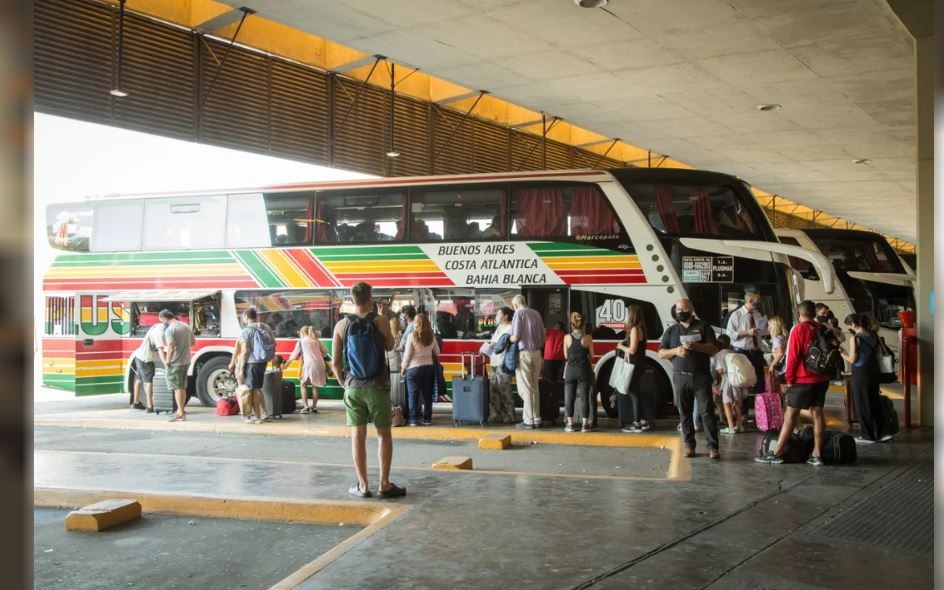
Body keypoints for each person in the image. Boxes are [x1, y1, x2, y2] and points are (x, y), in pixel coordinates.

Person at [331, 282, 404, 499]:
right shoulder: (379, 320)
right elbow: (390, 346)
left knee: (357, 437)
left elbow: (335, 363)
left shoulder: (341, 325)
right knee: (384, 435)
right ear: (370, 297)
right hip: (378, 386)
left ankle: (363, 486)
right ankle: (384, 484)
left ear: (352, 300)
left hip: (353, 388)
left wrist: (345, 384)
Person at [756, 300, 830, 466]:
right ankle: (817, 454)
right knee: (817, 414)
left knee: (790, 414)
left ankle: (777, 452)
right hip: (822, 378)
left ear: (799, 314)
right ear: (814, 313)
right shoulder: (821, 328)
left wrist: (789, 379)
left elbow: (793, 357)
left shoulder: (799, 329)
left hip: (803, 379)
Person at [659, 299, 720, 460]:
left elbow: (713, 348)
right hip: (681, 377)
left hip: (701, 376)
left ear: (691, 309)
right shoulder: (671, 331)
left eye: (684, 308)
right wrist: (676, 351)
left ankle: (713, 447)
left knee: (707, 412)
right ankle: (689, 445)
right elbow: (661, 352)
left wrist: (695, 346)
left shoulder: (703, 327)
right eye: (678, 308)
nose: (680, 311)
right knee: (684, 413)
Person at [842, 313, 892, 444]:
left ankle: (868, 435)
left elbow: (853, 359)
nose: (850, 329)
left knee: (863, 403)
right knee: (875, 402)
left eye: (849, 326)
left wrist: (843, 354)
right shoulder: (873, 335)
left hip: (861, 373)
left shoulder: (855, 338)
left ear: (853, 324)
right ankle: (884, 432)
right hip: (873, 371)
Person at [230, 308, 274, 424]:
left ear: (245, 317)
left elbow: (244, 351)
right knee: (258, 388)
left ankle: (257, 417)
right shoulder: (265, 327)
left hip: (252, 363)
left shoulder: (246, 331)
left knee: (253, 389)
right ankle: (264, 414)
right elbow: (274, 343)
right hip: (263, 361)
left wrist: (240, 368)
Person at [510, 294, 546, 429]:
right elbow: (544, 335)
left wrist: (508, 340)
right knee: (534, 387)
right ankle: (536, 418)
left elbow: (516, 336)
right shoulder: (536, 313)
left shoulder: (518, 314)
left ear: (515, 305)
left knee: (526, 388)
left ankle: (528, 420)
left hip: (524, 353)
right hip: (537, 353)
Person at [724, 287, 768, 395]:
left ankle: (760, 409)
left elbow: (761, 332)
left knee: (760, 383)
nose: (759, 302)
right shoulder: (736, 315)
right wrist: (746, 333)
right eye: (757, 300)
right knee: (743, 383)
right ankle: (743, 411)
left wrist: (765, 329)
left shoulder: (758, 314)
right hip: (741, 353)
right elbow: (729, 335)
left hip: (756, 352)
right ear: (749, 300)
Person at [401, 313, 439, 427]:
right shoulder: (431, 336)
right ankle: (427, 419)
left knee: (413, 395)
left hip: (414, 369)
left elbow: (407, 355)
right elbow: (437, 352)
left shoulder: (411, 336)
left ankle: (412, 419)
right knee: (427, 395)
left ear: (416, 323)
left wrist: (403, 367)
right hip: (428, 368)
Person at [617, 304, 650, 433]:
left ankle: (637, 423)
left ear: (632, 316)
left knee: (633, 392)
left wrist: (621, 346)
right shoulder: (641, 328)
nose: (625, 316)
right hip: (638, 364)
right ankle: (642, 421)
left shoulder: (635, 330)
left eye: (627, 314)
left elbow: (632, 350)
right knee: (634, 390)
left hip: (634, 365)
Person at [158, 309, 195, 422]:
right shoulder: (185, 326)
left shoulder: (170, 330)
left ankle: (180, 413)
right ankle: (181, 411)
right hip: (186, 360)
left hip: (176, 362)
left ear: (164, 319)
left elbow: (170, 347)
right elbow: (193, 343)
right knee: (182, 387)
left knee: (177, 388)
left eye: (161, 320)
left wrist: (167, 362)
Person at [562, 312, 594, 432]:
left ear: (572, 324)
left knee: (569, 397)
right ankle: (585, 425)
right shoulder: (588, 337)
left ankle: (570, 424)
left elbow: (565, 355)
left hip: (570, 370)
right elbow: (592, 355)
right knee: (585, 398)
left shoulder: (566, 337)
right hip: (584, 370)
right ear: (583, 324)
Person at [287, 325, 329, 414]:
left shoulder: (301, 341)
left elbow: (294, 355)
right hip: (320, 364)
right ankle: (314, 407)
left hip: (309, 364)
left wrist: (286, 364)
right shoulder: (316, 340)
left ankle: (306, 407)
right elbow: (325, 351)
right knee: (315, 386)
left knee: (303, 384)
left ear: (302, 333)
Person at [485, 307, 516, 424]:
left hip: (503, 363)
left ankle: (509, 415)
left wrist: (494, 345)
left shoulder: (510, 328)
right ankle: (495, 415)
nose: (496, 316)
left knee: (504, 389)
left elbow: (500, 345)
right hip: (493, 362)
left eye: (499, 314)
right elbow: (493, 343)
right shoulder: (499, 327)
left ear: (506, 316)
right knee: (493, 390)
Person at [130, 317, 167, 413]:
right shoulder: (160, 332)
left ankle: (136, 402)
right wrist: (166, 363)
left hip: (139, 356)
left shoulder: (156, 326)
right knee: (149, 381)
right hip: (146, 359)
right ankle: (150, 406)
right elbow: (160, 349)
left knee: (139, 379)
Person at [713, 334, 746, 434]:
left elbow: (720, 370)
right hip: (736, 381)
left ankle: (731, 426)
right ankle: (740, 426)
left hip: (726, 381)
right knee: (736, 404)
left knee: (726, 404)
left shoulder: (718, 355)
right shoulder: (733, 353)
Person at [767, 315, 788, 394]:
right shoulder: (784, 337)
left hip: (782, 368)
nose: (768, 328)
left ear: (774, 327)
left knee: (784, 389)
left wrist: (772, 365)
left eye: (769, 326)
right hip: (787, 366)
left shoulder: (777, 339)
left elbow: (780, 353)